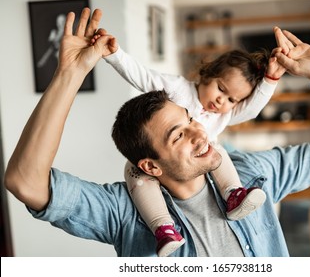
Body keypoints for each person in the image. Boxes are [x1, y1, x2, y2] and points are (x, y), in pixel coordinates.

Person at [4, 8, 310, 257]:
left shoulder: (253, 177)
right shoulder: (125, 214)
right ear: (150, 166)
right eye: (177, 135)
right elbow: (26, 182)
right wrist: (70, 74)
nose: (199, 132)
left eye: (190, 120)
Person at [90, 27, 286, 256]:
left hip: (199, 160)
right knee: (135, 172)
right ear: (207, 73)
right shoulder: (178, 89)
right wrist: (115, 55)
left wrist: (271, 79)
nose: (222, 101)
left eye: (232, 99)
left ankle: (233, 194)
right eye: (221, 89)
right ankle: (163, 228)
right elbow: (143, 76)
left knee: (218, 151)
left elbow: (252, 109)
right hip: (156, 162)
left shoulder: (224, 114)